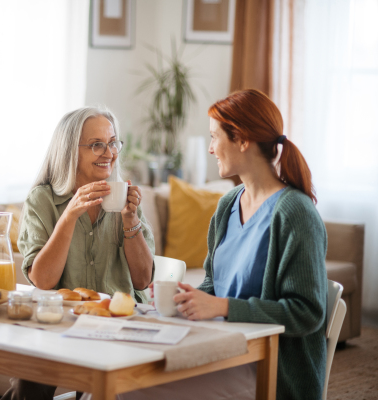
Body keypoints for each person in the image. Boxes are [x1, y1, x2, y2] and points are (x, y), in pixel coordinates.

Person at [115, 89, 327, 400]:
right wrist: (189, 298)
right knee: (119, 379)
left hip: (269, 370)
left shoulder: (295, 213)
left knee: (129, 392)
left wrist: (223, 307)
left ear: (242, 140)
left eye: (215, 137)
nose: (212, 149)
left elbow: (307, 312)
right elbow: (215, 283)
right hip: (224, 351)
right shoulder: (228, 204)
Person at [1, 106, 155, 400]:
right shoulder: (43, 200)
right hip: (59, 324)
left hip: (118, 324)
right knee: (27, 386)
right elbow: (42, 280)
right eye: (97, 145)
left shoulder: (122, 197)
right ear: (70, 151)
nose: (108, 153)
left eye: (112, 143)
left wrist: (130, 221)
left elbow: (142, 280)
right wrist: (69, 216)